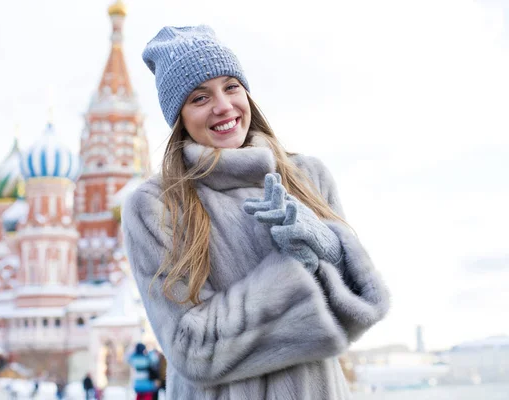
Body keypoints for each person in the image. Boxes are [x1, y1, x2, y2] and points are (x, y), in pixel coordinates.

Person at [121, 25, 390, 400]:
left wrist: (328, 248)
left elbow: (361, 313)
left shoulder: (307, 177)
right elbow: (190, 348)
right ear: (178, 116)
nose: (223, 106)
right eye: (199, 97)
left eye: (231, 86)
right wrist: (295, 272)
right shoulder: (155, 206)